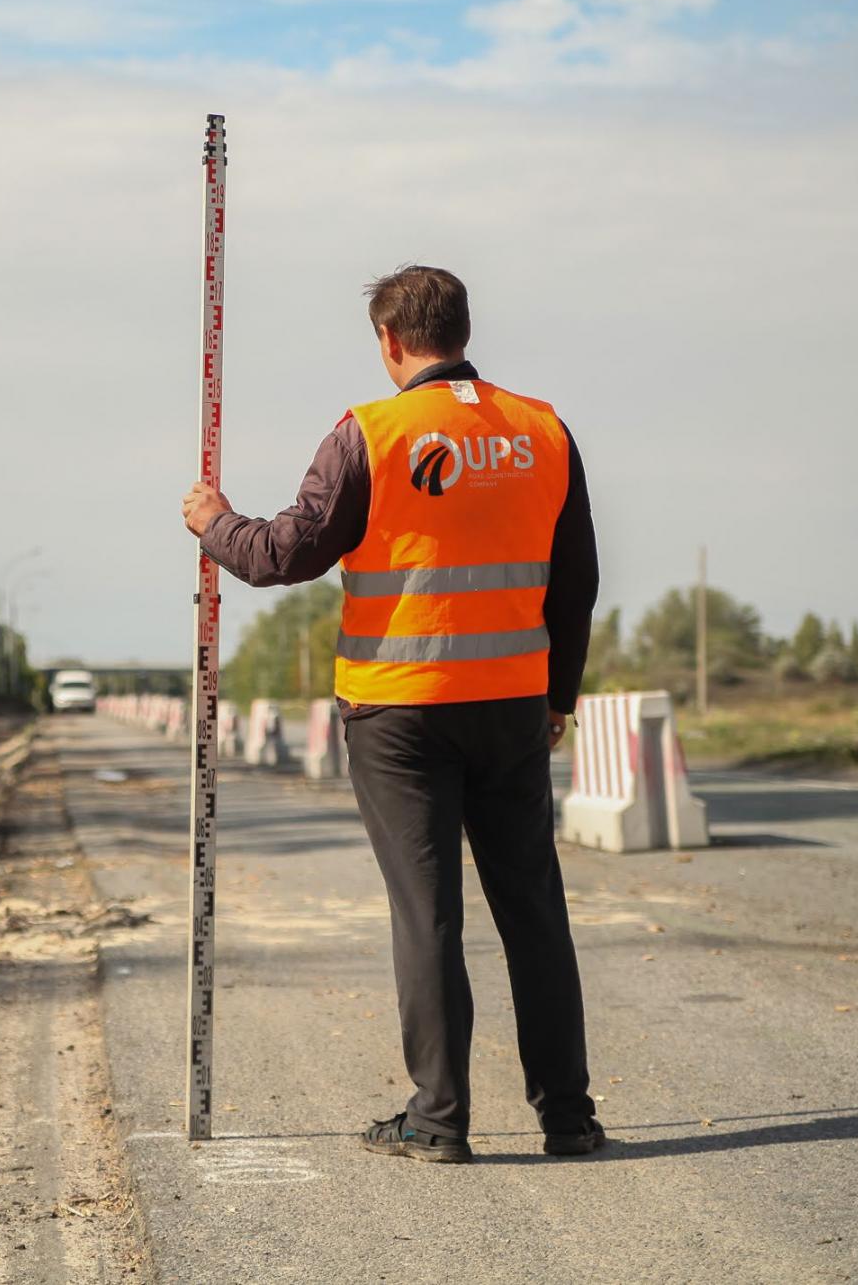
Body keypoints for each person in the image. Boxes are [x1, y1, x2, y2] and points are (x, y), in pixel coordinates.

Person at [180, 265, 604, 1164]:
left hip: (400, 709)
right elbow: (577, 583)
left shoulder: (369, 433)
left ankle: (439, 1120)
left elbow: (283, 554)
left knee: (428, 913)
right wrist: (558, 694)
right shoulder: (543, 429)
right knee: (532, 907)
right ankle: (568, 1114)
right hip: (512, 706)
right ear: (463, 328)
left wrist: (214, 522)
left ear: (390, 342)